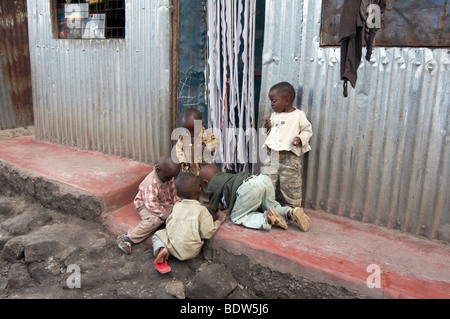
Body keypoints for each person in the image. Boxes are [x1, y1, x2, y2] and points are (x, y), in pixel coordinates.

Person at [151, 172, 227, 274]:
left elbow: (169, 222)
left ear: (177, 194)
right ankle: (167, 250)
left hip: (173, 244)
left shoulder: (177, 206)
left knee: (157, 236)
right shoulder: (202, 210)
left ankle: (163, 249)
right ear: (200, 190)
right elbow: (207, 233)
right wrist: (219, 221)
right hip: (191, 251)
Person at [199, 165, 310, 232]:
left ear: (205, 182)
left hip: (249, 187)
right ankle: (290, 212)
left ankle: (266, 218)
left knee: (238, 217)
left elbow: (214, 209)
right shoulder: (225, 177)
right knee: (272, 206)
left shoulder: (212, 184)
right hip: (261, 179)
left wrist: (216, 218)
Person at [116, 154, 181, 254]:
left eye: (172, 177)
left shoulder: (168, 176)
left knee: (178, 211)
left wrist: (178, 205)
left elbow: (173, 193)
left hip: (161, 202)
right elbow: (152, 205)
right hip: (145, 205)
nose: (170, 179)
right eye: (168, 177)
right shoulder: (151, 183)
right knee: (154, 221)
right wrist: (165, 216)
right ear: (158, 170)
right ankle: (128, 238)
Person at [263, 82, 313, 208]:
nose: (272, 104)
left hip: (290, 160)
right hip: (272, 157)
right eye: (270, 101)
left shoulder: (298, 115)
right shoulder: (274, 115)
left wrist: (299, 139)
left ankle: (294, 211)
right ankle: (267, 208)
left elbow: (307, 130)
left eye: (274, 101)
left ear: (286, 101)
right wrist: (267, 126)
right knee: (266, 185)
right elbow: (267, 133)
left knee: (291, 188)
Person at [175, 108, 219, 176]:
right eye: (187, 130)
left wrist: (207, 147)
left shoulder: (206, 135)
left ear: (200, 124)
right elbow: (178, 148)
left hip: (204, 170)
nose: (190, 133)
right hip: (189, 170)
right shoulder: (183, 136)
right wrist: (182, 160)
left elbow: (216, 143)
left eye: (193, 130)